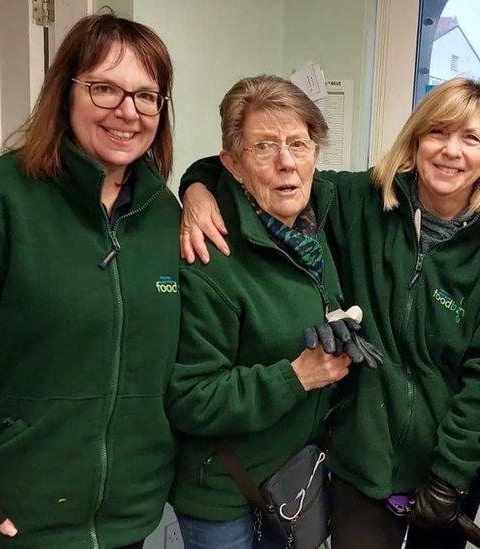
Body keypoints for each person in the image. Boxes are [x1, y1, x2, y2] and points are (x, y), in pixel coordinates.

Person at [179, 77, 480, 549]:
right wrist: (196, 186)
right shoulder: (363, 200)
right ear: (416, 139)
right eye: (438, 133)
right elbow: (270, 173)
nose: (451, 151)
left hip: (448, 469)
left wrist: (451, 476)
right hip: (361, 462)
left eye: (471, 138)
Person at [0, 15, 178, 548]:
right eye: (105, 89)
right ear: (65, 93)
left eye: (147, 96)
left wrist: (200, 186)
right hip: (16, 511)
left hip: (130, 513)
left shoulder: (164, 215)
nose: (128, 112)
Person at [163, 75, 354, 549]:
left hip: (296, 478)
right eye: (263, 147)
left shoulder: (323, 222)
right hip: (225, 495)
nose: (286, 162)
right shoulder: (210, 252)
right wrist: (298, 376)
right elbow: (190, 397)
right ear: (233, 163)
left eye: (298, 143)